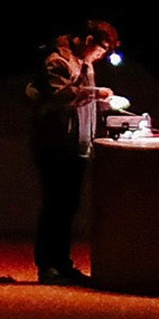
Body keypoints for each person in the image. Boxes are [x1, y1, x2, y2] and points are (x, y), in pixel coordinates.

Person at [26, 19, 122, 285]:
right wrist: (95, 93)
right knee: (54, 206)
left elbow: (83, 100)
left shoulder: (85, 63)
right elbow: (59, 96)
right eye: (100, 51)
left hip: (77, 145)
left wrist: (105, 104)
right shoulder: (56, 59)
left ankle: (63, 263)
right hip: (54, 144)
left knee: (68, 207)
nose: (100, 58)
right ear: (90, 41)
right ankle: (48, 266)